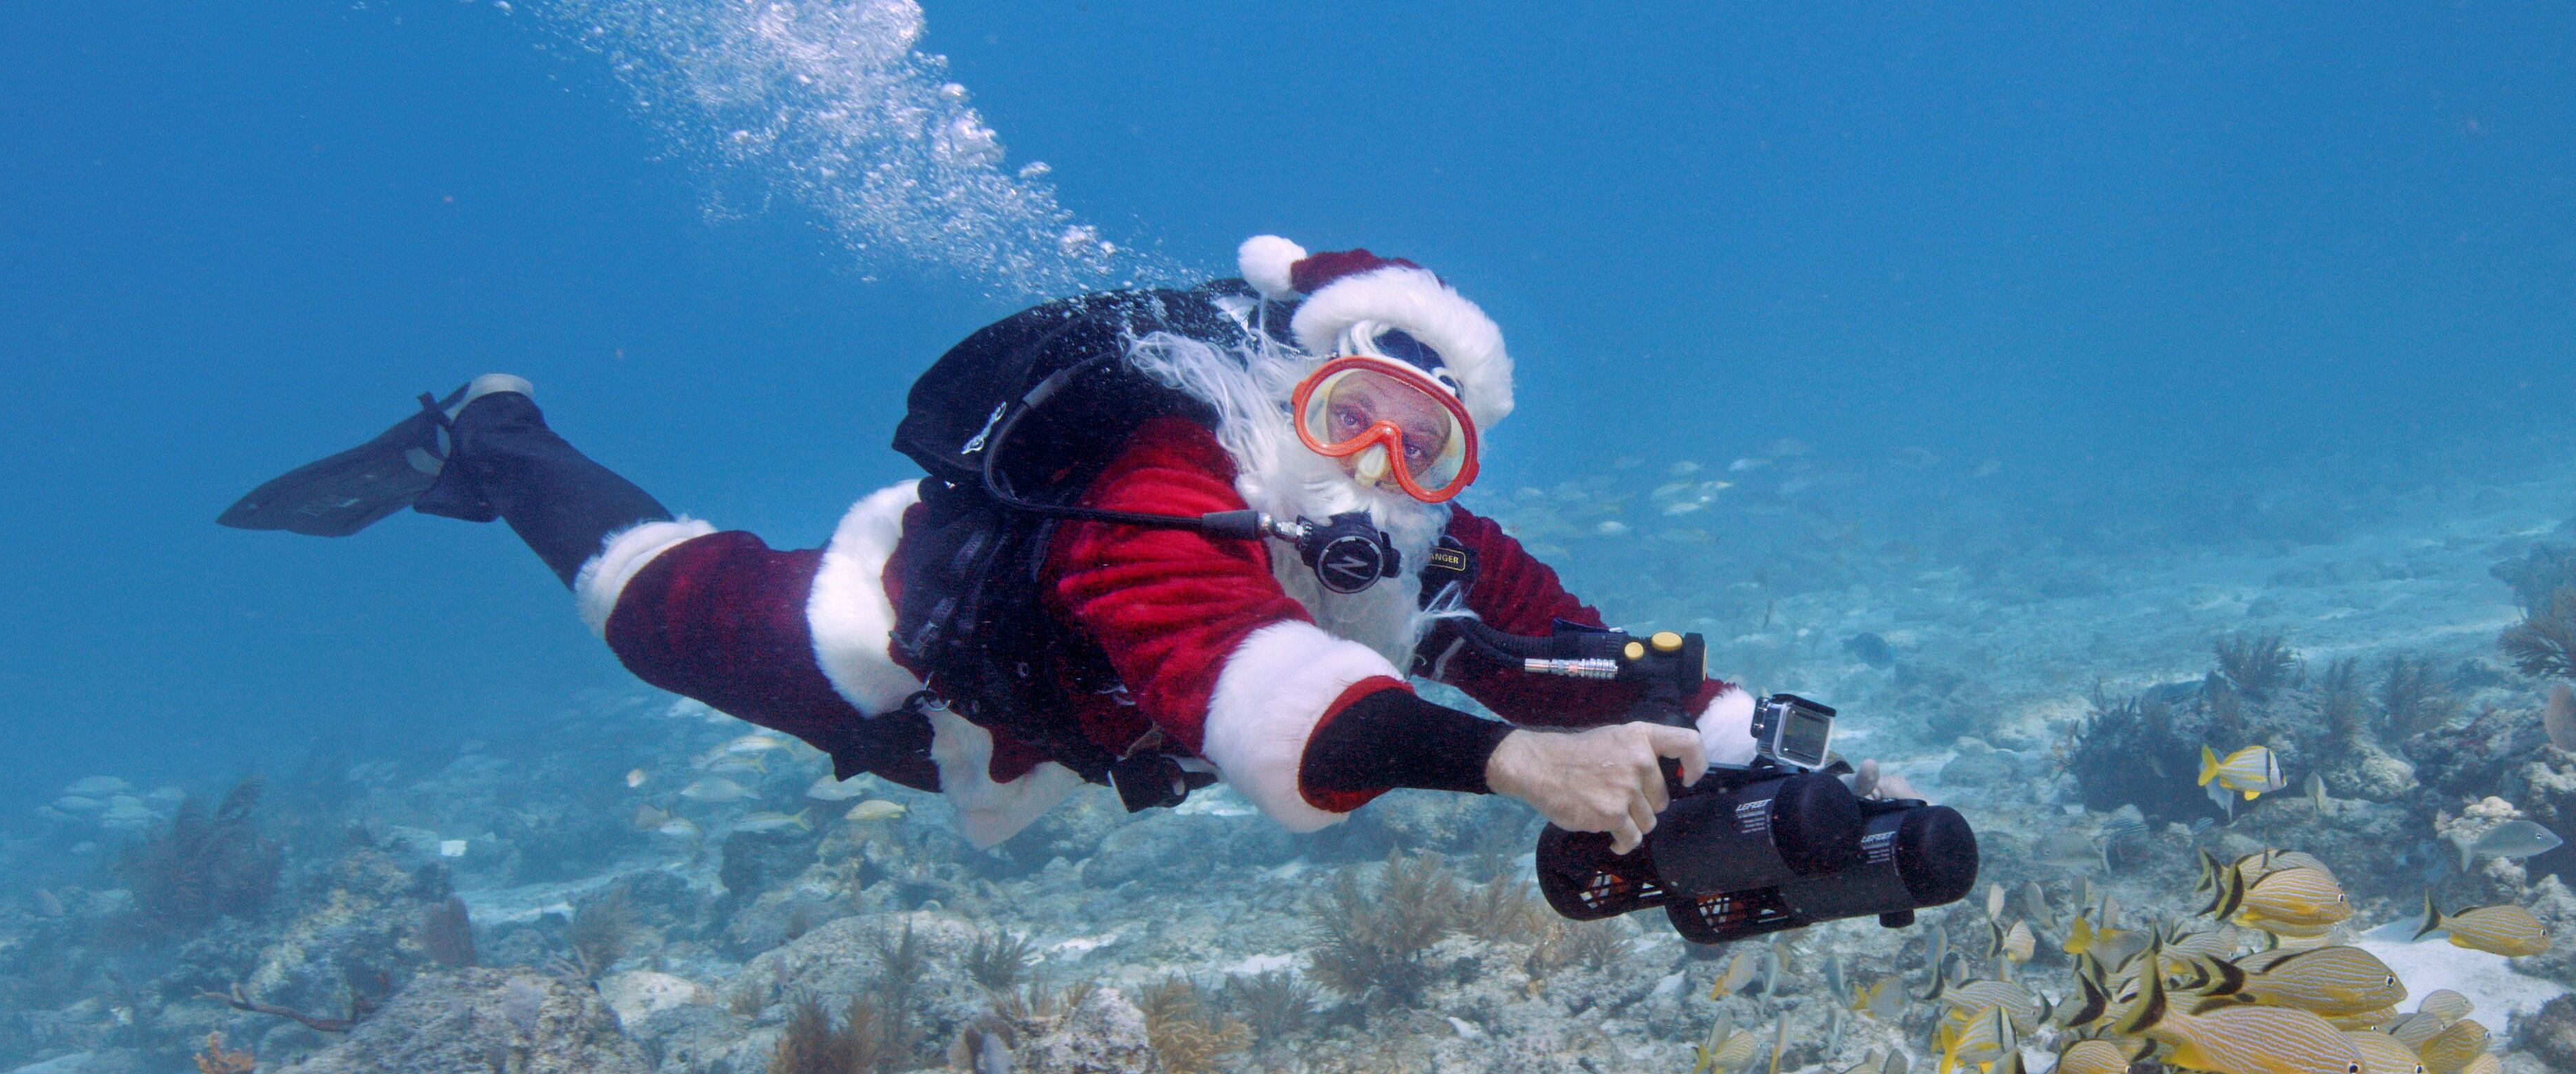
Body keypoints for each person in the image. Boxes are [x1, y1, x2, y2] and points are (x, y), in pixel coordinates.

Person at [223, 237, 1912, 852]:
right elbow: (1220, 666)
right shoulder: (1167, 455)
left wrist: (1778, 742)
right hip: (898, 657)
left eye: (1427, 442)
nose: (1378, 466)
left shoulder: (1427, 539)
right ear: (1284, 388)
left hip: (1061, 736)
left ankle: (497, 445)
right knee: (655, 610)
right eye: (1347, 416)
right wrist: (1508, 772)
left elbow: (1574, 654)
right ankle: (494, 439)